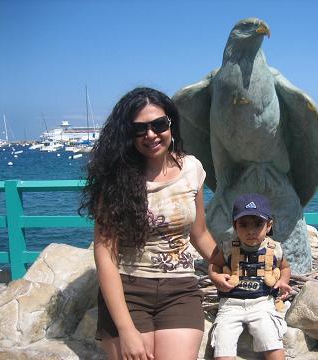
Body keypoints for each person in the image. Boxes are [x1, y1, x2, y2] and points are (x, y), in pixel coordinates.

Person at [79, 87, 221, 360]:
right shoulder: (114, 179)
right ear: (127, 134)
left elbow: (199, 233)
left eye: (159, 125)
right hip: (129, 290)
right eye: (139, 129)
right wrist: (126, 329)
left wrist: (225, 264)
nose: (151, 135)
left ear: (171, 124)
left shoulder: (192, 169)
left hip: (179, 290)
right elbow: (105, 253)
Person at [208, 193, 292, 360]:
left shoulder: (274, 249)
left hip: (262, 303)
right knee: (223, 344)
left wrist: (283, 281)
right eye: (244, 225)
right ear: (235, 226)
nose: (251, 231)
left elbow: (285, 267)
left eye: (258, 224)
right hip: (231, 305)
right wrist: (215, 277)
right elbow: (214, 265)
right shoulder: (227, 247)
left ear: (269, 226)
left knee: (272, 340)